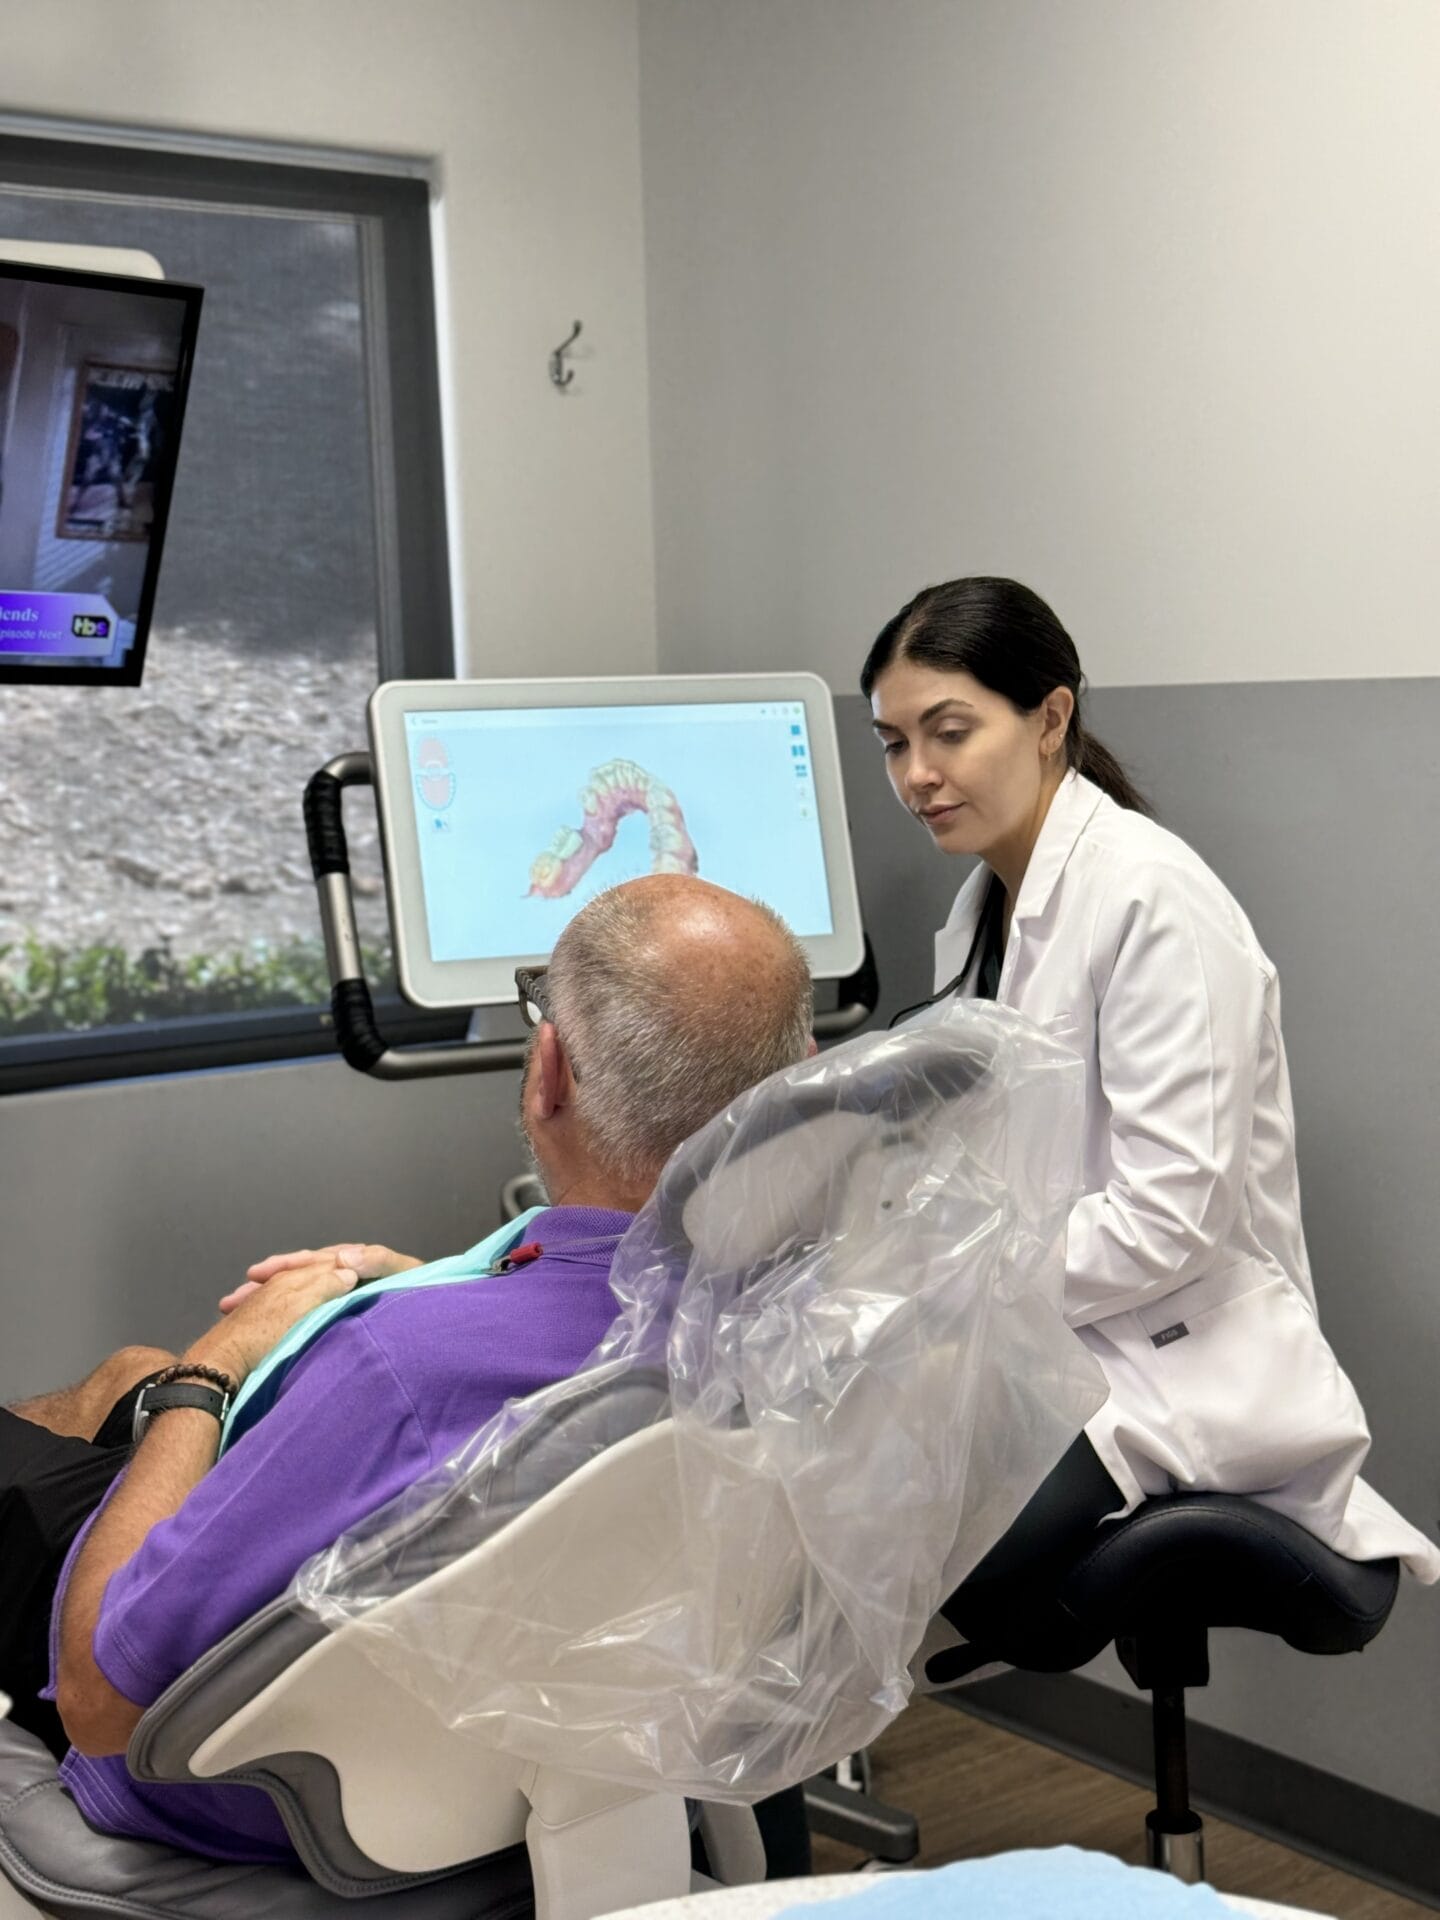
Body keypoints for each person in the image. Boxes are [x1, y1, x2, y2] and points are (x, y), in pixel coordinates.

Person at [0, 874, 816, 1865]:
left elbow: (102, 1704)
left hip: (272, 1804)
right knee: (129, 1371)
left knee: (134, 1391)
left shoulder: (398, 1368)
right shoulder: (798, 1312)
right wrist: (438, 1278)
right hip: (570, 1748)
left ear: (547, 1068)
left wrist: (213, 1368)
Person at [864, 575, 1439, 1586]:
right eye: (893, 742)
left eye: (948, 732)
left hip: (1182, 1363)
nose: (918, 773)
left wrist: (964, 1285)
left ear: (1051, 719)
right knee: (826, 1458)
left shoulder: (1150, 900)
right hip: (1062, 1343)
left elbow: (1174, 1217)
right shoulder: (982, 915)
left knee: (917, 1540)